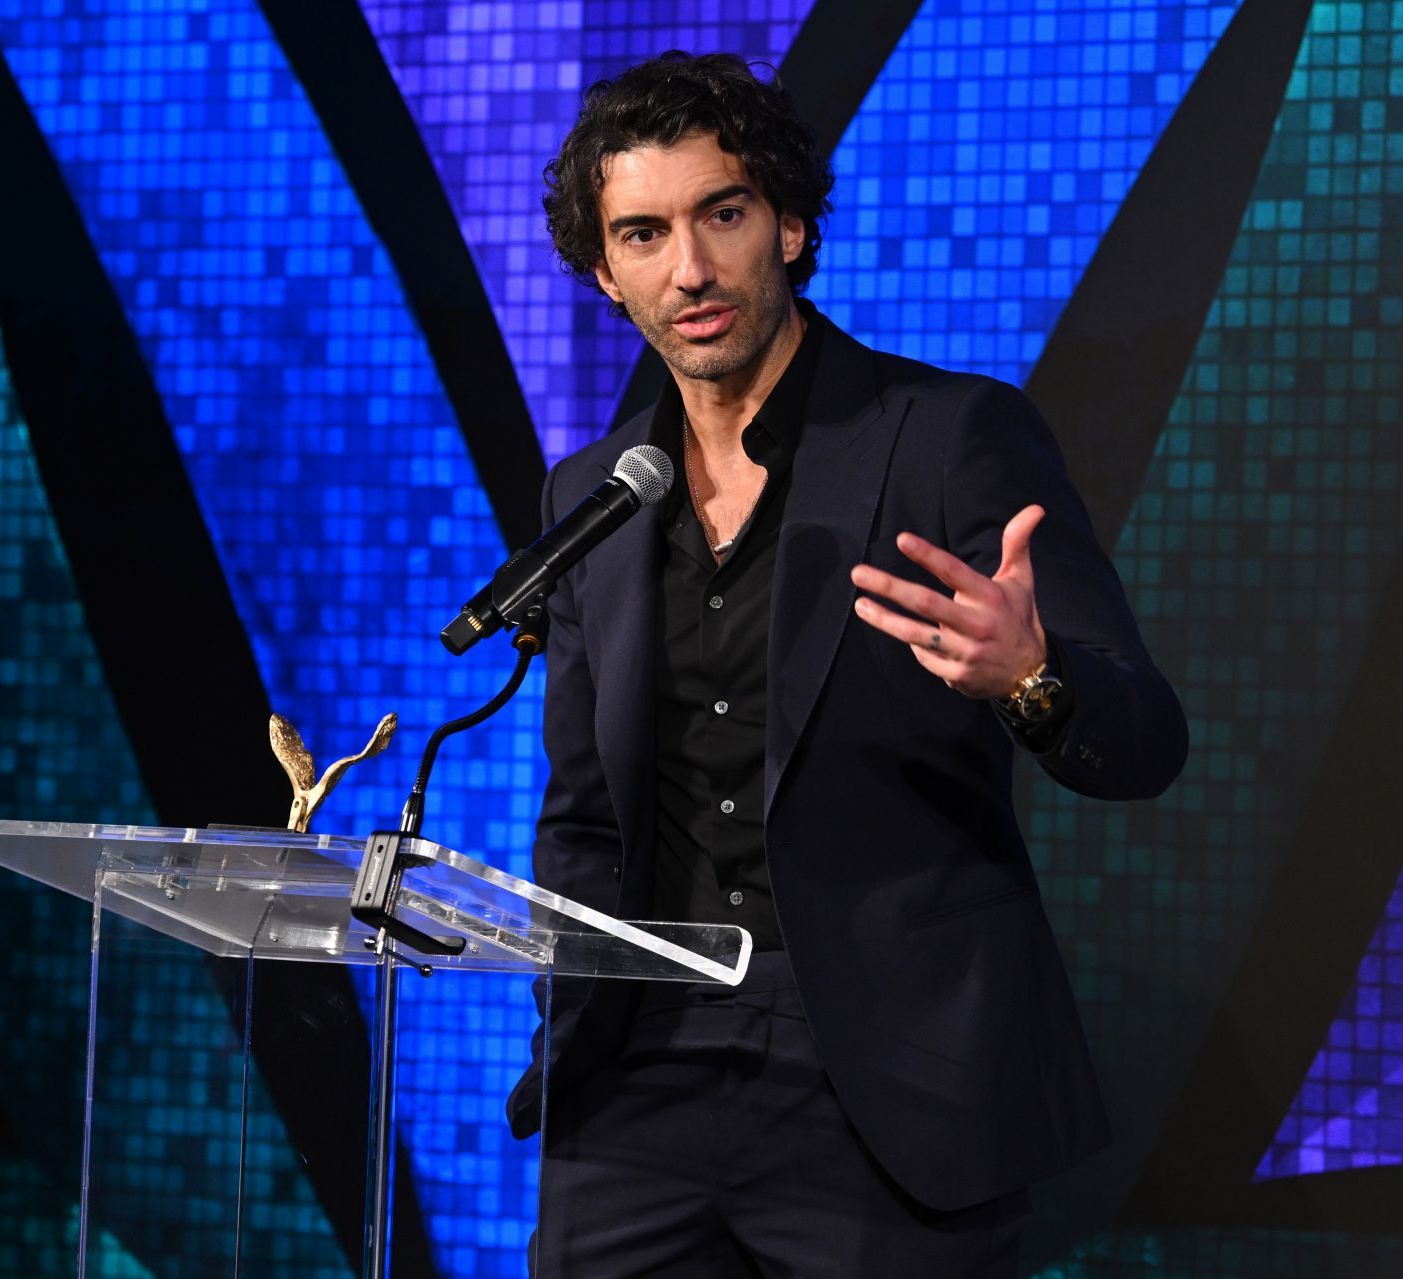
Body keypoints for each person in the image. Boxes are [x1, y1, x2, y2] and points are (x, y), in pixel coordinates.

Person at [506, 52, 1188, 1277]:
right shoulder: (594, 497)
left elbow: (1143, 738)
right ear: (604, 272)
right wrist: (573, 1007)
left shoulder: (949, 439)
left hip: (886, 1089)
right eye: (644, 233)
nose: (691, 269)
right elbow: (584, 812)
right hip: (634, 1090)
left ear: (790, 220)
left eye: (722, 214)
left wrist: (1031, 678)